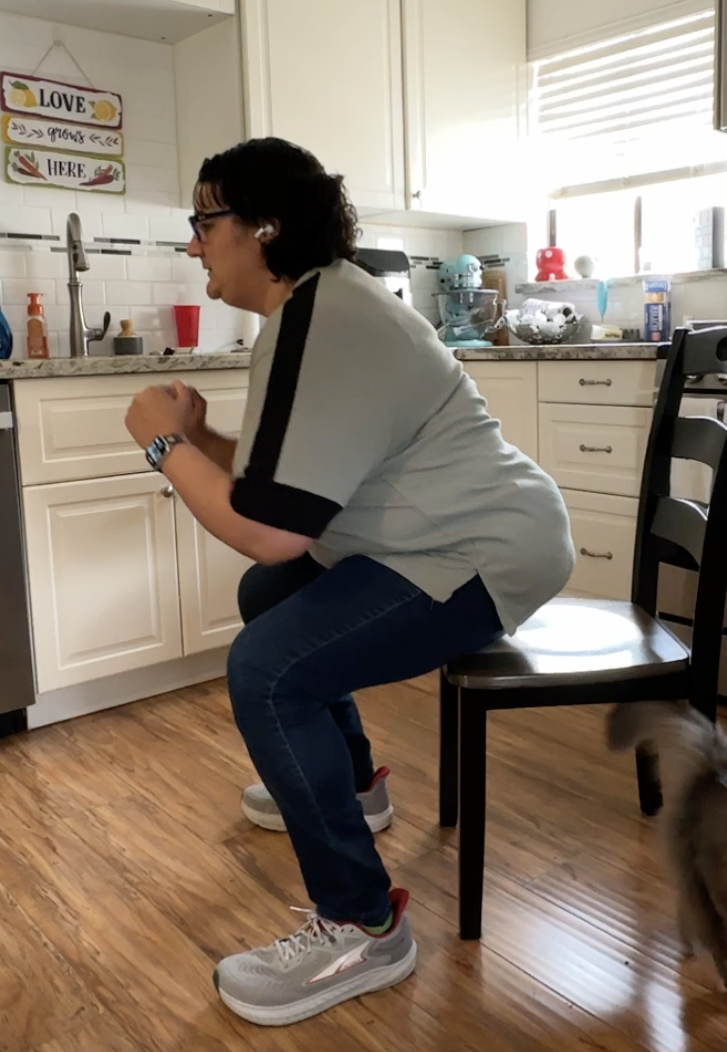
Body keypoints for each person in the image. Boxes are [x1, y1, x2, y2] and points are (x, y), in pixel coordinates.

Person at [123, 137, 575, 1027]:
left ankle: (363, 924)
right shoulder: (312, 311)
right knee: (270, 612)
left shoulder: (324, 319)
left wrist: (163, 444)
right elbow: (279, 490)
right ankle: (357, 786)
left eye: (203, 221)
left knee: (268, 668)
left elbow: (268, 532)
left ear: (264, 228)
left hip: (480, 552)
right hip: (432, 540)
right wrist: (199, 447)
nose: (193, 243)